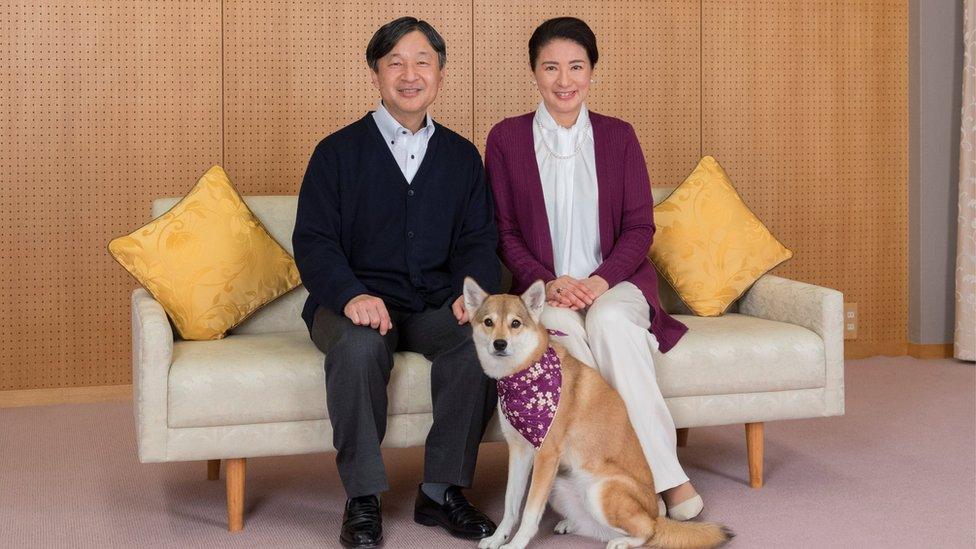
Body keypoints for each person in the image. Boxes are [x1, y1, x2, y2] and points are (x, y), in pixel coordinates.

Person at [484, 17, 704, 521]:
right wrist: (549, 282)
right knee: (559, 333)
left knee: (607, 322)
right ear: (534, 73)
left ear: (593, 72)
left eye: (576, 67)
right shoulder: (506, 139)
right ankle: (601, 474)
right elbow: (504, 232)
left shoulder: (619, 137)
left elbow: (638, 228)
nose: (565, 81)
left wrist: (600, 281)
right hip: (545, 294)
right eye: (552, 67)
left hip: (616, 283)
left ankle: (664, 478)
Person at [293, 17, 499, 548]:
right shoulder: (335, 153)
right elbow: (314, 242)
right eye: (396, 63)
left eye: (422, 62)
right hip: (352, 305)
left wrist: (466, 292)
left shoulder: (461, 156)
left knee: (477, 346)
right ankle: (362, 497)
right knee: (360, 349)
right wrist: (351, 295)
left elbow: (479, 240)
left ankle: (441, 491)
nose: (410, 75)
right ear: (375, 73)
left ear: (441, 74)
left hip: (433, 305)